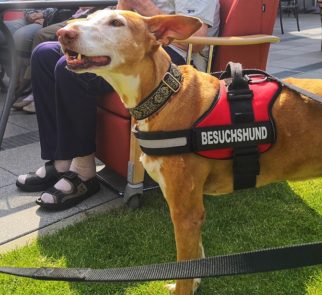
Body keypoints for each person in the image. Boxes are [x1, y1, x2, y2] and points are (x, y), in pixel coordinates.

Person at [15, 0, 220, 211]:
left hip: (168, 58)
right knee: (44, 55)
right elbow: (117, 25)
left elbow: (196, 41)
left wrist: (141, 4)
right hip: (128, 47)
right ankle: (60, 160)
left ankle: (84, 172)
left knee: (67, 70)